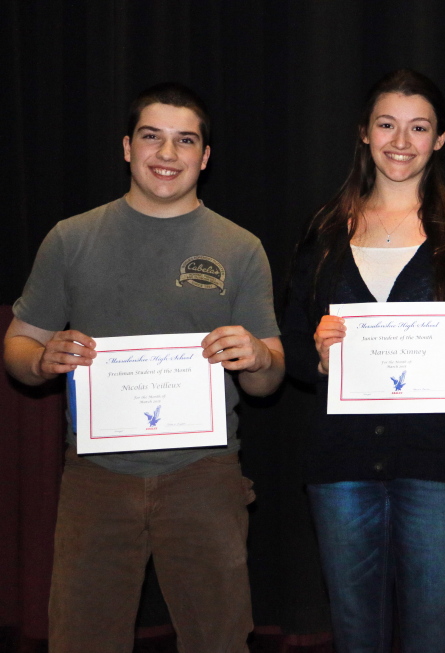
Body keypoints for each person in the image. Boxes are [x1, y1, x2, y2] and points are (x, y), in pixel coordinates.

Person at [3, 83, 284, 652]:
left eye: (185, 140)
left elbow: (269, 375)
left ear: (204, 157)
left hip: (205, 475)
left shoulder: (240, 247)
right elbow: (17, 347)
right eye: (152, 137)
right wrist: (41, 358)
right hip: (95, 476)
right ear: (127, 147)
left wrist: (257, 356)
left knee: (219, 639)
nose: (167, 154)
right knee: (83, 638)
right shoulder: (71, 238)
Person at [282, 68, 445, 653]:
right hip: (342, 466)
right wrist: (318, 350)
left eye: (418, 127)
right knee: (355, 635)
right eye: (386, 125)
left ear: (440, 139)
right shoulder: (324, 230)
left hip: (441, 467)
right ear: (363, 133)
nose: (401, 142)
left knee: (434, 634)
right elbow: (291, 348)